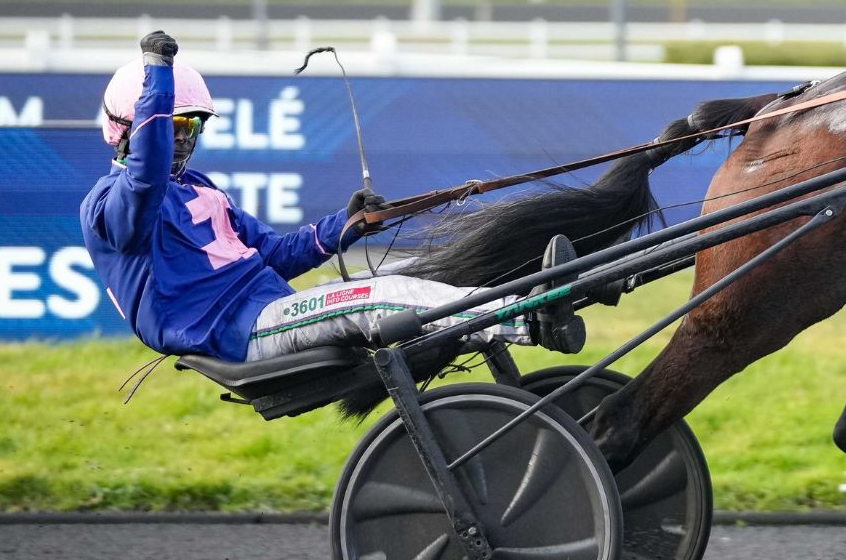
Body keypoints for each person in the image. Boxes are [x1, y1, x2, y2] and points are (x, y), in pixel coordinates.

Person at [81, 31, 580, 363]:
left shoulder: (202, 190)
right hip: (234, 332)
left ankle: (551, 296)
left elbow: (272, 255)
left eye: (193, 125)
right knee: (377, 297)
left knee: (394, 280)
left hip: (267, 311)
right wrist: (158, 75)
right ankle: (526, 318)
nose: (184, 138)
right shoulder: (109, 206)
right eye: (173, 126)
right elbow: (144, 181)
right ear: (129, 129)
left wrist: (345, 226)